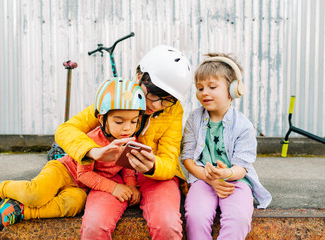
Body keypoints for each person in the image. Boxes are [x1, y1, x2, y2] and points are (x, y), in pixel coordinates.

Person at [0, 77, 146, 235]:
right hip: (64, 170)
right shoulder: (92, 139)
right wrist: (114, 188)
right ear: (101, 119)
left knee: (74, 204)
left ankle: (19, 210)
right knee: (36, 194)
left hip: (81, 188)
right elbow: (83, 174)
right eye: (119, 121)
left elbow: (127, 166)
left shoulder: (130, 139)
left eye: (134, 121)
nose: (127, 128)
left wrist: (131, 186)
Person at [55, 45, 193, 239]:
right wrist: (93, 152)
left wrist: (153, 166)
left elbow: (169, 161)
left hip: (154, 177)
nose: (155, 105)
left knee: (168, 226)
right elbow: (65, 130)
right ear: (139, 76)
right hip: (110, 174)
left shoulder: (174, 110)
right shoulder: (117, 95)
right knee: (94, 226)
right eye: (152, 94)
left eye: (166, 100)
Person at [181, 53, 272, 240]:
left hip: (235, 182)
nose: (204, 92)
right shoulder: (193, 119)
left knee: (238, 218)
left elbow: (242, 167)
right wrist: (210, 178)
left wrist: (225, 174)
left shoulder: (244, 126)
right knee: (196, 216)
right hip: (202, 179)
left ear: (233, 90)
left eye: (212, 87)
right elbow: (187, 158)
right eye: (200, 88)